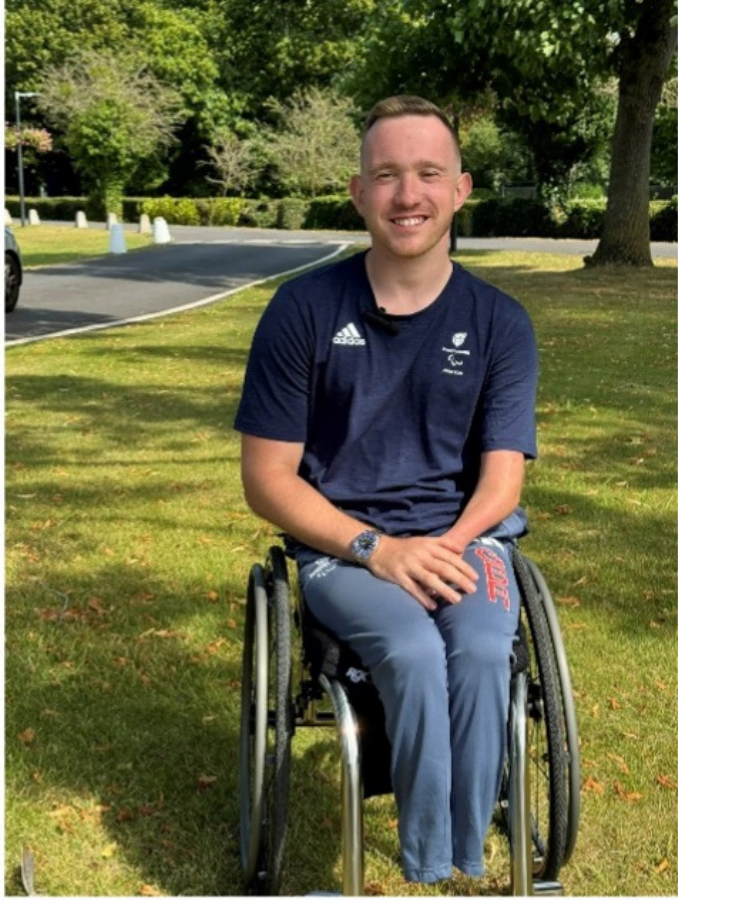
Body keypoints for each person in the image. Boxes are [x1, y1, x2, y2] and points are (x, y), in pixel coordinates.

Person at [234, 95, 538, 883]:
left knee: (482, 649)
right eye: (388, 175)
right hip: (345, 548)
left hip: (465, 537)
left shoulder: (501, 321)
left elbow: (504, 477)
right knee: (410, 651)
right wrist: (379, 549)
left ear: (461, 189)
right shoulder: (302, 311)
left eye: (429, 173)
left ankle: (468, 854)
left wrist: (447, 544)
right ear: (358, 191)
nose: (409, 195)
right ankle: (432, 859)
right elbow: (267, 477)